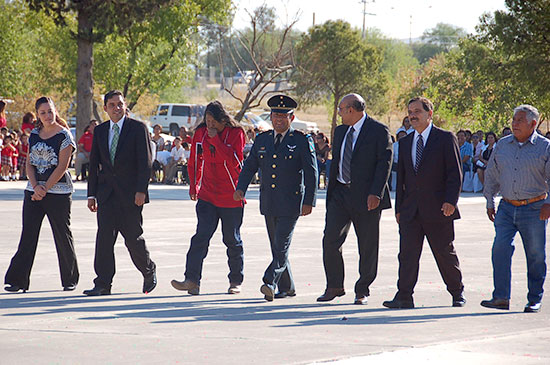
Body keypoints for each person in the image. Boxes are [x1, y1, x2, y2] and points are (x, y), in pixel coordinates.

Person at [383, 96, 465, 309]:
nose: (412, 115)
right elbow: (402, 179)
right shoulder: (406, 141)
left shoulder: (445, 138)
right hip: (411, 211)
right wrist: (399, 209)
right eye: (410, 112)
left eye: (417, 111)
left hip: (439, 210)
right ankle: (404, 296)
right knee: (407, 255)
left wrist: (450, 201)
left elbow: (455, 174)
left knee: (444, 253)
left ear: (430, 114)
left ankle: (457, 292)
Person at [234, 94, 317, 301]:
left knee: (281, 245)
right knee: (277, 246)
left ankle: (269, 281)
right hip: (269, 201)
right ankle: (288, 287)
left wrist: (309, 201)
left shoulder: (300, 140)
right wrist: (240, 188)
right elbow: (250, 166)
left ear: (292, 117)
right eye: (275, 116)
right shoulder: (263, 139)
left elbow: (311, 171)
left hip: (291, 203)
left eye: (283, 116)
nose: (278, 120)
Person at [317, 93, 393, 305]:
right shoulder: (341, 131)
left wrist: (376, 193)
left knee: (367, 245)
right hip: (340, 194)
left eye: (341, 109)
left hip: (367, 196)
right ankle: (334, 285)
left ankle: (363, 289)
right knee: (330, 239)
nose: (339, 113)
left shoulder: (378, 131)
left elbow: (384, 162)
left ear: (352, 110)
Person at [84, 90, 156, 296]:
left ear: (125, 106)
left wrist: (141, 190)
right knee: (104, 239)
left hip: (131, 195)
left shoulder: (137, 128)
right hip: (106, 195)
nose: (117, 108)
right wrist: (92, 194)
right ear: (105, 108)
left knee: (133, 238)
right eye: (112, 105)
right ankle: (102, 283)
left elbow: (146, 162)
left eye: (120, 104)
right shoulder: (100, 131)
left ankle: (148, 269)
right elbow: (95, 164)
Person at [4, 97, 78, 292]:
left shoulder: (64, 136)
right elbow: (29, 163)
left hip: (58, 192)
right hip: (33, 192)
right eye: (43, 112)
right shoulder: (35, 134)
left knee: (62, 235)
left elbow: (62, 166)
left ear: (55, 111)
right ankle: (18, 280)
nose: (47, 115)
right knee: (28, 234)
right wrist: (36, 187)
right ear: (38, 115)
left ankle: (70, 279)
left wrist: (44, 189)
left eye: (50, 111)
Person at [171, 101, 246, 295]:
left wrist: (217, 142)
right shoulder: (201, 133)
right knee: (200, 237)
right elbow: (195, 160)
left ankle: (235, 280)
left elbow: (235, 161)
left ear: (223, 120)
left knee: (232, 239)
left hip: (231, 195)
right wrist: (193, 184)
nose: (210, 125)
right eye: (207, 120)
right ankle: (192, 280)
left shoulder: (236, 133)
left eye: (214, 121)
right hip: (207, 195)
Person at [481, 105, 550, 313]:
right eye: (513, 119)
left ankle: (534, 298)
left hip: (535, 208)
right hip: (506, 208)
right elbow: (492, 173)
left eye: (520, 120)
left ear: (533, 124)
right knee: (500, 249)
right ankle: (501, 297)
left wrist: (549, 203)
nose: (515, 123)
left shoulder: (545, 147)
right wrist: (489, 201)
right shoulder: (502, 145)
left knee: (536, 255)